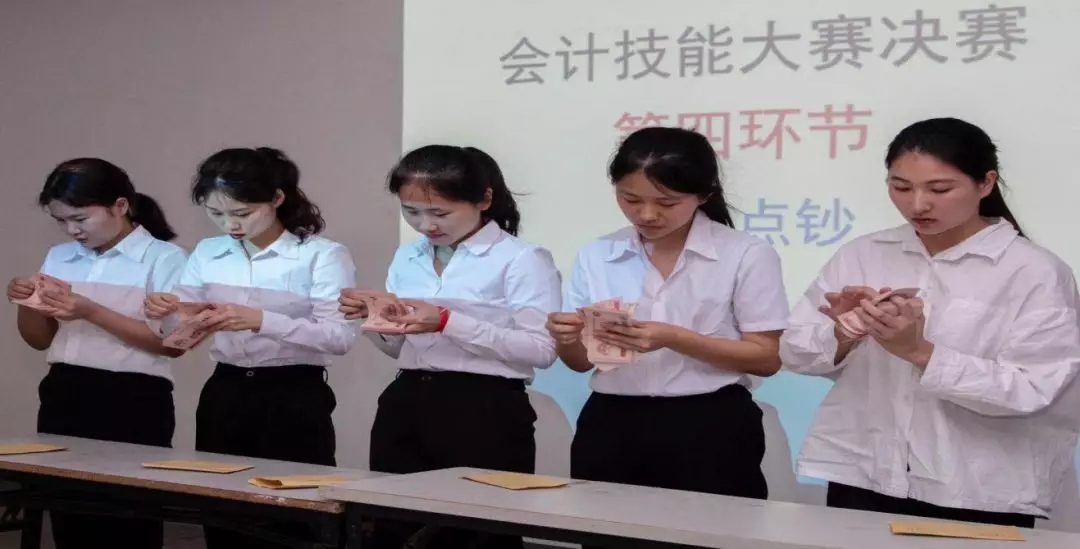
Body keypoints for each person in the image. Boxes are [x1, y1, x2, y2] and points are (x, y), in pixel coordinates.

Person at [780, 117, 1080, 527]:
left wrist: (920, 352)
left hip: (977, 489)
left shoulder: (1034, 272)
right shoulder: (863, 253)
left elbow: (1033, 389)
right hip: (864, 472)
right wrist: (844, 331)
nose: (917, 205)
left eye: (939, 190)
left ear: (986, 183)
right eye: (900, 187)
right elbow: (793, 352)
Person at [546, 127, 789, 504]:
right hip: (611, 423)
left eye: (667, 202)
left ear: (704, 194)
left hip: (710, 425)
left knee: (711, 530)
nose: (646, 214)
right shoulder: (598, 254)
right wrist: (566, 339)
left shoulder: (745, 254)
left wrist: (673, 338)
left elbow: (766, 358)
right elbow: (580, 363)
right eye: (630, 199)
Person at [338, 145, 561, 549]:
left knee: (476, 534)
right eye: (411, 211)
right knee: (395, 526)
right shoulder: (408, 256)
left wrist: (447, 321)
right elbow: (400, 349)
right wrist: (372, 317)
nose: (426, 225)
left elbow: (541, 349)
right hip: (406, 400)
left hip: (485, 410)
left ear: (484, 199)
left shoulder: (521, 259)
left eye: (440, 213)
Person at [143, 147, 356, 549]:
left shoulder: (320, 255)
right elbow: (180, 326)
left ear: (277, 198)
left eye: (242, 213)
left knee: (293, 515)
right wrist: (166, 311)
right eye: (216, 213)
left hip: (293, 391)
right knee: (222, 510)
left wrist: (261, 320)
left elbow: (339, 336)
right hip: (225, 389)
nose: (230, 225)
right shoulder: (209, 251)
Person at [8, 158, 186, 549]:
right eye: (61, 221)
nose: (72, 230)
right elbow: (39, 340)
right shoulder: (60, 256)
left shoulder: (165, 258)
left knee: (127, 520)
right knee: (68, 516)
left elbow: (171, 344)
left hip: (134, 398)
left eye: (80, 219)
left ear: (121, 206)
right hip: (64, 390)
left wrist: (91, 310)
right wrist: (26, 301)